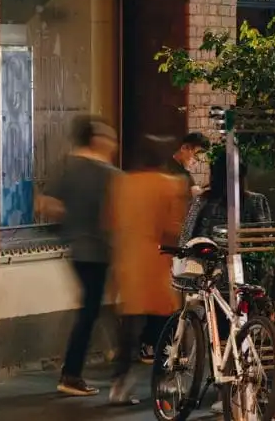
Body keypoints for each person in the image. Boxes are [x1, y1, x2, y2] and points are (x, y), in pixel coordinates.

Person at [107, 135, 188, 404]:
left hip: (128, 261)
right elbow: (173, 229)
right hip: (157, 261)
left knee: (129, 327)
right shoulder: (170, 186)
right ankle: (164, 383)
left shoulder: (123, 184)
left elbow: (112, 223)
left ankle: (119, 383)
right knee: (165, 325)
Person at [46, 116, 120, 397]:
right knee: (92, 309)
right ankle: (73, 372)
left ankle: (77, 367)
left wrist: (69, 224)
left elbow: (48, 205)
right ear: (97, 140)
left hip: (76, 249)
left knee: (91, 307)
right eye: (109, 138)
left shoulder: (65, 165)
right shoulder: (108, 173)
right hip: (99, 250)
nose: (113, 144)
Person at [180, 155, 273, 243]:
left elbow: (264, 239)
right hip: (207, 257)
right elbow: (186, 238)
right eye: (224, 176)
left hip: (246, 257)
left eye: (234, 176)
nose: (228, 182)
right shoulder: (202, 201)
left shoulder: (256, 201)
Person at [165, 132, 209, 196]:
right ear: (184, 148)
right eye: (196, 156)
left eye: (199, 160)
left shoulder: (185, 172)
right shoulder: (164, 169)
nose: (195, 162)